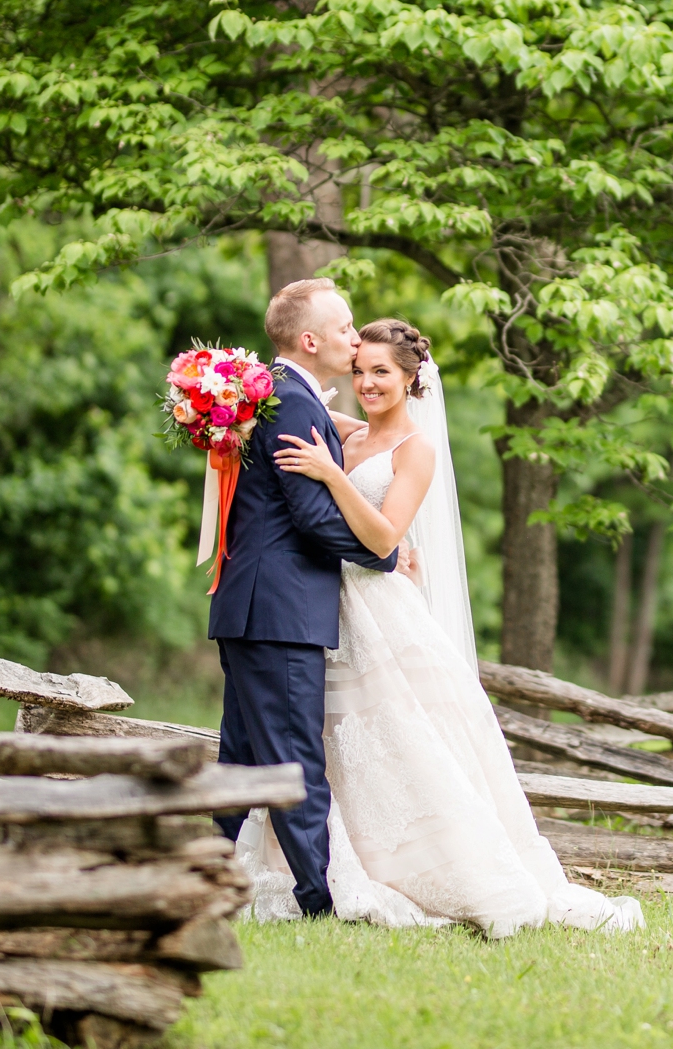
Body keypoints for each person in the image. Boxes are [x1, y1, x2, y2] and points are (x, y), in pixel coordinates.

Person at [254, 317, 644, 936]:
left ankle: (439, 872)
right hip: (328, 605)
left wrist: (331, 476)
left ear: (412, 379)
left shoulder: (416, 449)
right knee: (332, 741)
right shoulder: (343, 432)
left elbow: (384, 537)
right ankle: (334, 865)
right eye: (360, 370)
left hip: (380, 606)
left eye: (381, 372)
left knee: (400, 736)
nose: (367, 382)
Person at [207, 279, 398, 919]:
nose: (354, 336)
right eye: (345, 328)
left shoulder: (282, 396)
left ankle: (198, 881)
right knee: (295, 758)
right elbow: (313, 519)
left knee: (240, 757)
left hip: (257, 606)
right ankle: (318, 902)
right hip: (279, 611)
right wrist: (383, 554)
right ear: (310, 339)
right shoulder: (290, 403)